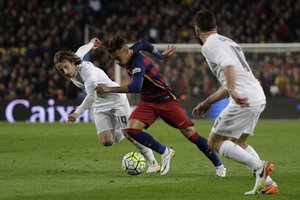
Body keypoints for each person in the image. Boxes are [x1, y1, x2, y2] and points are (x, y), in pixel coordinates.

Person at [96, 36, 226, 176]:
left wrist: (110, 89)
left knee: (190, 133)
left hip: (166, 100)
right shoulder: (133, 50)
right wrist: (160, 55)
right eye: (114, 59)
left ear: (126, 51)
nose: (117, 62)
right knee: (130, 131)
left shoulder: (138, 61)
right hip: (148, 102)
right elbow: (143, 43)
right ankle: (165, 152)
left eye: (117, 58)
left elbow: (135, 87)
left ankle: (219, 166)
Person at [192, 9, 278, 195]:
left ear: (196, 31)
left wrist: (232, 90)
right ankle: (269, 183)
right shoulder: (228, 41)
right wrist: (207, 102)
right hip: (256, 95)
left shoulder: (209, 45)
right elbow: (229, 79)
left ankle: (260, 167)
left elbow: (228, 66)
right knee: (237, 142)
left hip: (244, 98)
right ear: (216, 27)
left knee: (215, 141)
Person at [53, 38, 160, 173]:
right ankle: (122, 130)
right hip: (99, 105)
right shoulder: (74, 61)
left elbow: (91, 96)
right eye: (60, 70)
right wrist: (91, 44)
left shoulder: (88, 74)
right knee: (106, 141)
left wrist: (77, 113)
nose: (65, 72)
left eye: (65, 67)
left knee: (131, 134)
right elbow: (81, 50)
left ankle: (153, 163)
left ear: (72, 63)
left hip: (116, 99)